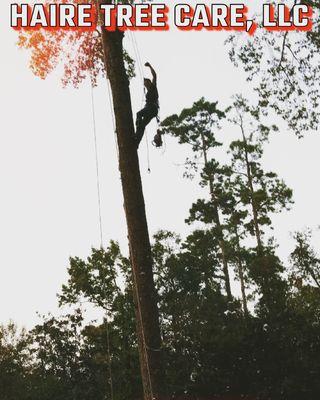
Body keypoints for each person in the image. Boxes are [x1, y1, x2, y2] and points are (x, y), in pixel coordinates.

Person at [135, 62, 159, 147]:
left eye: (145, 82)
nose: (145, 84)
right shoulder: (148, 91)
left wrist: (150, 66)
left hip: (152, 108)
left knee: (139, 114)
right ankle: (136, 142)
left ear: (149, 82)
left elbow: (155, 75)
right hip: (151, 109)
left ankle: (137, 127)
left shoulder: (153, 87)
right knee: (142, 125)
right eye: (144, 83)